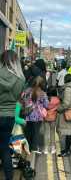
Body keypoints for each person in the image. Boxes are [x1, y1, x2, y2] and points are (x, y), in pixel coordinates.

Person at [0, 50, 25, 180]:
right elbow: (18, 99)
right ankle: (9, 178)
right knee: (4, 149)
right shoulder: (21, 78)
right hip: (9, 116)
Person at [25, 76, 49, 154]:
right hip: (38, 116)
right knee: (36, 132)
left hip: (28, 114)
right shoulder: (42, 93)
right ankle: (34, 148)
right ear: (42, 84)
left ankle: (27, 147)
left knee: (28, 132)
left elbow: (24, 100)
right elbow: (46, 105)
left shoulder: (28, 91)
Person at [44, 87, 60, 154]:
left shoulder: (45, 99)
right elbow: (58, 108)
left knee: (46, 133)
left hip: (46, 117)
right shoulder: (57, 100)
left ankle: (46, 149)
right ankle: (53, 148)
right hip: (53, 118)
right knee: (52, 132)